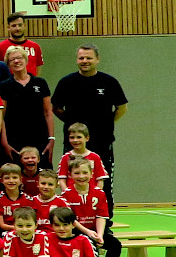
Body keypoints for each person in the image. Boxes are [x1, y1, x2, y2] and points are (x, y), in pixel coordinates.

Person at [52, 44, 127, 203]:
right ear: (77, 60)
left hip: (102, 142)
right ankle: (73, 221)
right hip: (75, 144)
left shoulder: (109, 82)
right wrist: (74, 126)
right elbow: (56, 108)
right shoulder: (66, 82)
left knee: (102, 183)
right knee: (73, 181)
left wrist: (106, 123)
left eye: (89, 58)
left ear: (97, 59)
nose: (85, 61)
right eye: (81, 58)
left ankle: (105, 224)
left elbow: (121, 108)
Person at [0, 47, 54, 166]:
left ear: (26, 60)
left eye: (19, 58)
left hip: (39, 137)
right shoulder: (4, 86)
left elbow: (48, 112)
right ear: (8, 64)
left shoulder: (40, 83)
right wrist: (4, 142)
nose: (16, 61)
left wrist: (51, 139)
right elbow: (0, 117)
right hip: (14, 138)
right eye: (12, 59)